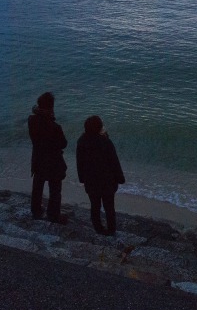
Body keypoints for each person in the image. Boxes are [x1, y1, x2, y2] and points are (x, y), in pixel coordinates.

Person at [76, 115, 125, 236]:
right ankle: (111, 230)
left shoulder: (81, 141)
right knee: (109, 207)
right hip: (107, 181)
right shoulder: (105, 142)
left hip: (90, 181)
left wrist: (82, 178)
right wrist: (120, 178)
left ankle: (98, 228)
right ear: (99, 128)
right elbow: (114, 162)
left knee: (95, 205)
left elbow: (79, 162)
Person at [28, 91, 68, 224]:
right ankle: (53, 215)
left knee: (37, 186)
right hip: (53, 162)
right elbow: (63, 143)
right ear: (51, 107)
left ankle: (36, 210)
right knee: (55, 190)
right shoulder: (54, 127)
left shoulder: (31, 120)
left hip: (38, 158)